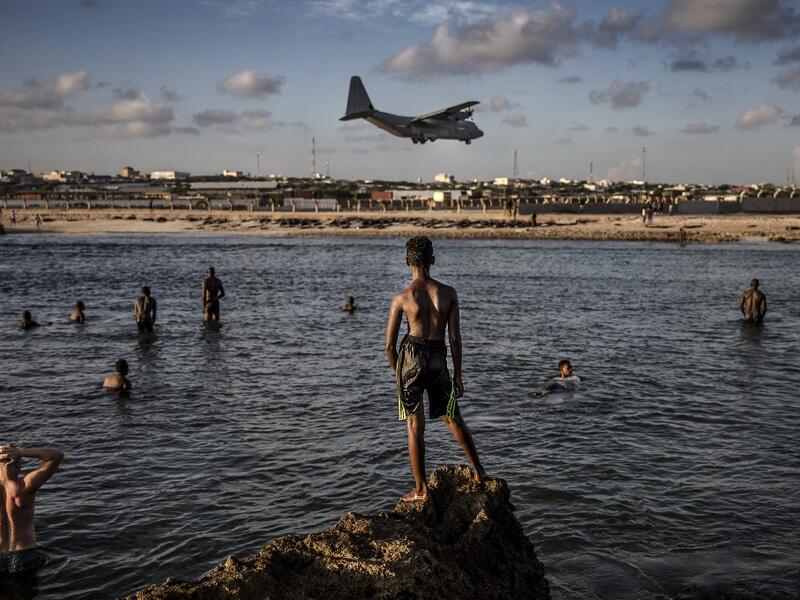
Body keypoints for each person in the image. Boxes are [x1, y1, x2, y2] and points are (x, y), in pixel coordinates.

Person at [385, 236, 487, 503]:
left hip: (411, 356)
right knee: (453, 416)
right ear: (433, 260)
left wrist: (400, 373)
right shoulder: (448, 292)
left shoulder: (401, 298)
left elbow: (388, 346)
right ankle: (478, 472)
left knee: (414, 424)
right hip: (438, 355)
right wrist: (459, 374)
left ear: (407, 262)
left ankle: (421, 490)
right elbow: (455, 338)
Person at [0, 444, 64, 575]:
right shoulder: (25, 486)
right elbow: (56, 456)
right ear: (17, 465)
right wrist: (21, 452)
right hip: (24, 556)